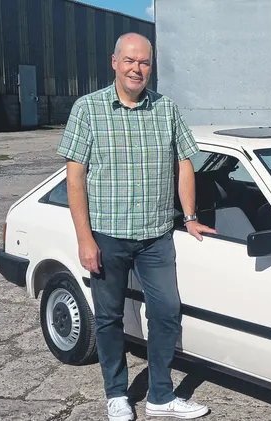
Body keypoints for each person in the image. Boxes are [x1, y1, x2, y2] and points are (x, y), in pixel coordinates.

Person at [57, 32, 216, 421]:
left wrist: (190, 217)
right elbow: (75, 178)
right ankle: (116, 394)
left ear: (151, 66)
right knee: (109, 317)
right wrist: (84, 239)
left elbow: (184, 163)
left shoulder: (166, 109)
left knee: (166, 312)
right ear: (115, 62)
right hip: (107, 237)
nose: (137, 69)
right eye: (129, 61)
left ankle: (160, 396)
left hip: (156, 237)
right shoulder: (88, 109)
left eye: (144, 62)